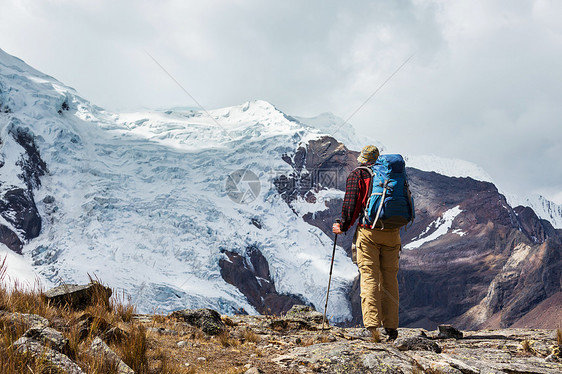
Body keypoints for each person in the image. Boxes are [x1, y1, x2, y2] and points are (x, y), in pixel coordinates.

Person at [332, 145, 401, 341]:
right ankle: (392, 328)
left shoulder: (359, 175)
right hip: (392, 233)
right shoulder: (392, 175)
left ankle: (372, 328)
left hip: (369, 232)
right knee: (390, 279)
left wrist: (342, 226)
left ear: (363, 158)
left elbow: (350, 205)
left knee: (370, 277)